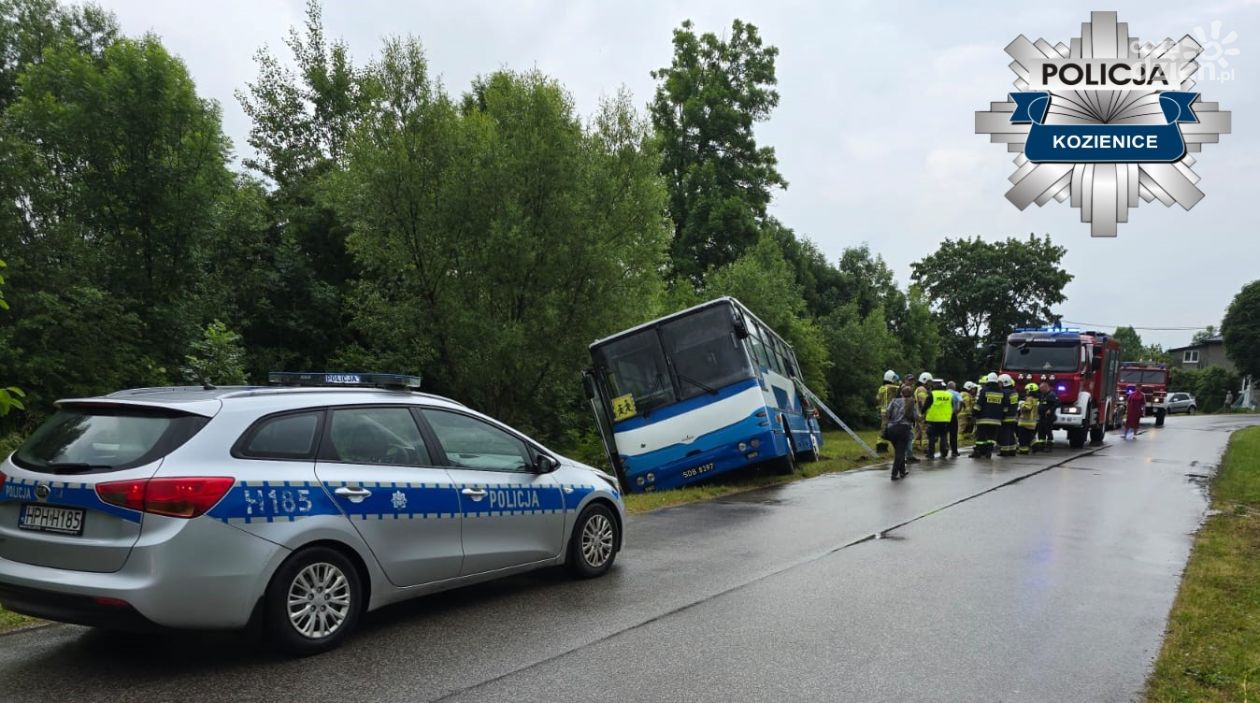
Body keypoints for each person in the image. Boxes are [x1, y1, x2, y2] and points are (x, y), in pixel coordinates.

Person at [883, 385, 918, 480]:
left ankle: (902, 471)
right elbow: (915, 417)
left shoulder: (894, 401)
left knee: (899, 450)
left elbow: (887, 413)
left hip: (891, 429)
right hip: (903, 429)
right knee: (900, 452)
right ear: (911, 395)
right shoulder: (911, 403)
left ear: (901, 393)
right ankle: (894, 474)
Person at [971, 373, 1003, 458]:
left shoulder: (984, 390)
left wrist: (974, 413)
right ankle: (989, 451)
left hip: (983, 419)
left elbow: (979, 404)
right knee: (991, 437)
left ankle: (979, 452)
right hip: (996, 420)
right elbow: (1003, 407)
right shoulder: (1000, 392)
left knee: (981, 437)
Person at [923, 379, 954, 459]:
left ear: (933, 386)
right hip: (945, 419)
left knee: (932, 437)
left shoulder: (932, 394)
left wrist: (922, 411)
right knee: (943, 435)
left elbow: (926, 405)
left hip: (933, 419)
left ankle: (931, 454)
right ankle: (944, 451)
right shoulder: (948, 395)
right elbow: (952, 405)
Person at [875, 370, 900, 453]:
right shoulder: (891, 387)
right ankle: (882, 447)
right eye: (894, 378)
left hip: (883, 410)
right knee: (886, 429)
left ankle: (882, 446)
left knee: (883, 428)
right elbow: (901, 388)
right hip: (889, 411)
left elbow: (878, 399)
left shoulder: (882, 388)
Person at [1033, 381, 1059, 452]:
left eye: (1041, 388)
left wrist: (1050, 410)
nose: (1040, 390)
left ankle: (1049, 446)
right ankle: (1042, 445)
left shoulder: (1051, 395)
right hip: (1042, 417)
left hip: (1048, 417)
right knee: (1041, 431)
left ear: (1045, 387)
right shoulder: (1043, 395)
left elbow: (1057, 403)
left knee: (1048, 431)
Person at [998, 374, 1019, 456]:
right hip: (1013, 416)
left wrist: (1002, 414)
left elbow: (1005, 406)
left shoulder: (1004, 392)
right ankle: (1012, 450)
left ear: (1004, 382)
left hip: (1006, 417)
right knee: (1011, 434)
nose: (998, 384)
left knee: (1004, 434)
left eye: (1000, 382)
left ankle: (1004, 451)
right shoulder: (1014, 392)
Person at [1016, 383, 1040, 455]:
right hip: (1032, 422)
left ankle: (1023, 450)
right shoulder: (1036, 400)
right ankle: (1035, 445)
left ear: (1030, 391)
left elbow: (1027, 408)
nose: (1026, 391)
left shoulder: (1029, 399)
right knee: (1030, 436)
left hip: (1025, 422)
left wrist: (1021, 404)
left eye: (1027, 390)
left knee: (1022, 438)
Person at [914, 372, 932, 455]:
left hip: (917, 413)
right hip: (922, 414)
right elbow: (923, 402)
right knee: (925, 430)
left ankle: (916, 445)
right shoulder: (922, 389)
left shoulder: (919, 388)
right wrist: (926, 413)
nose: (930, 384)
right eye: (929, 382)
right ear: (924, 381)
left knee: (918, 430)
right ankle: (926, 447)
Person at [946, 381, 962, 457]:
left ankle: (944, 450)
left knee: (944, 434)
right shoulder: (956, 393)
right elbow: (961, 401)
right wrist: (958, 411)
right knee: (953, 434)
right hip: (952, 415)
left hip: (944, 416)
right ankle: (954, 451)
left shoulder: (944, 393)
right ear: (954, 387)